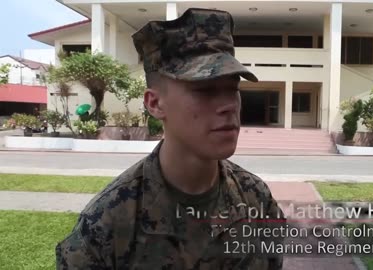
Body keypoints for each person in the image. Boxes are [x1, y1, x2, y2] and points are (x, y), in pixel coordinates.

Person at [56, 8, 285, 269]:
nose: (229, 106)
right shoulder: (105, 226)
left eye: (233, 89)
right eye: (206, 90)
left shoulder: (257, 200)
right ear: (155, 103)